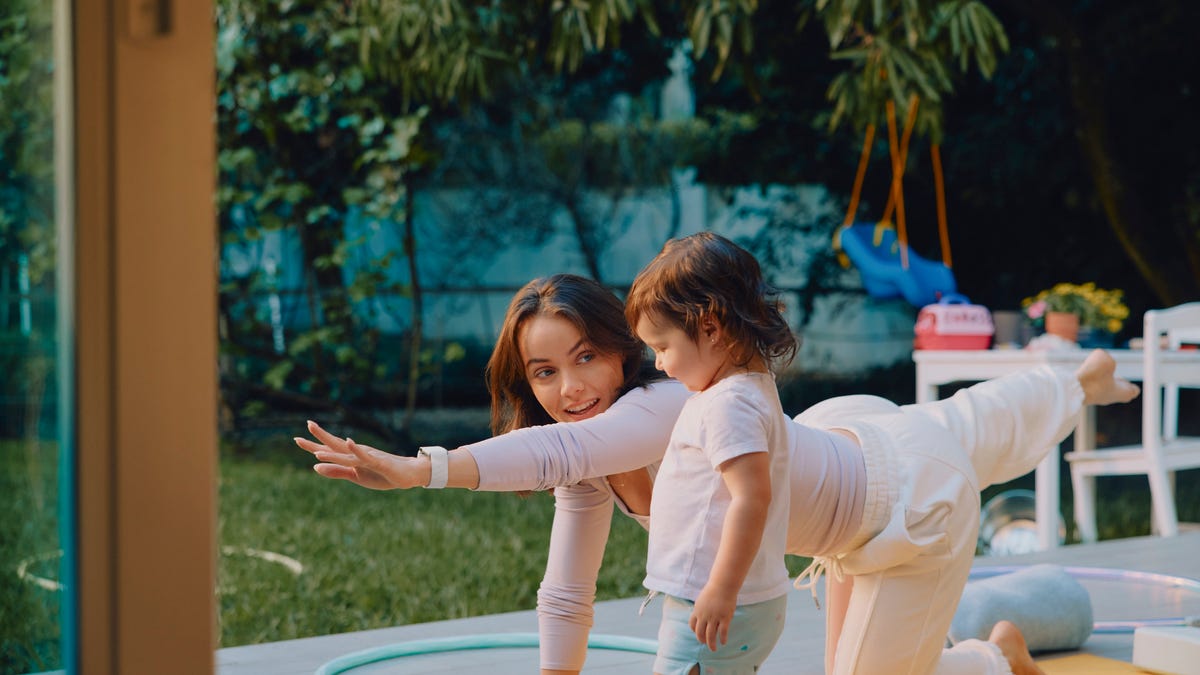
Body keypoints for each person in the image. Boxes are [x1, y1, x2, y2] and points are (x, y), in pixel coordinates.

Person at [298, 267, 1138, 675]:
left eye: (586, 356)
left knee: (974, 426)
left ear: (626, 348)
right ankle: (997, 654)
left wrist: (419, 469)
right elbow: (566, 592)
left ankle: (1077, 381)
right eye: (545, 373)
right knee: (972, 421)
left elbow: (563, 448)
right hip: (844, 485)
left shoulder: (671, 402)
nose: (570, 388)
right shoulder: (593, 460)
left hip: (899, 504)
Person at [623, 233, 797, 673]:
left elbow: (751, 498)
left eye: (663, 347)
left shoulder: (729, 404)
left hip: (714, 597)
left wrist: (721, 589)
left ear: (711, 329)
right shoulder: (749, 389)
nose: (659, 363)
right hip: (740, 599)